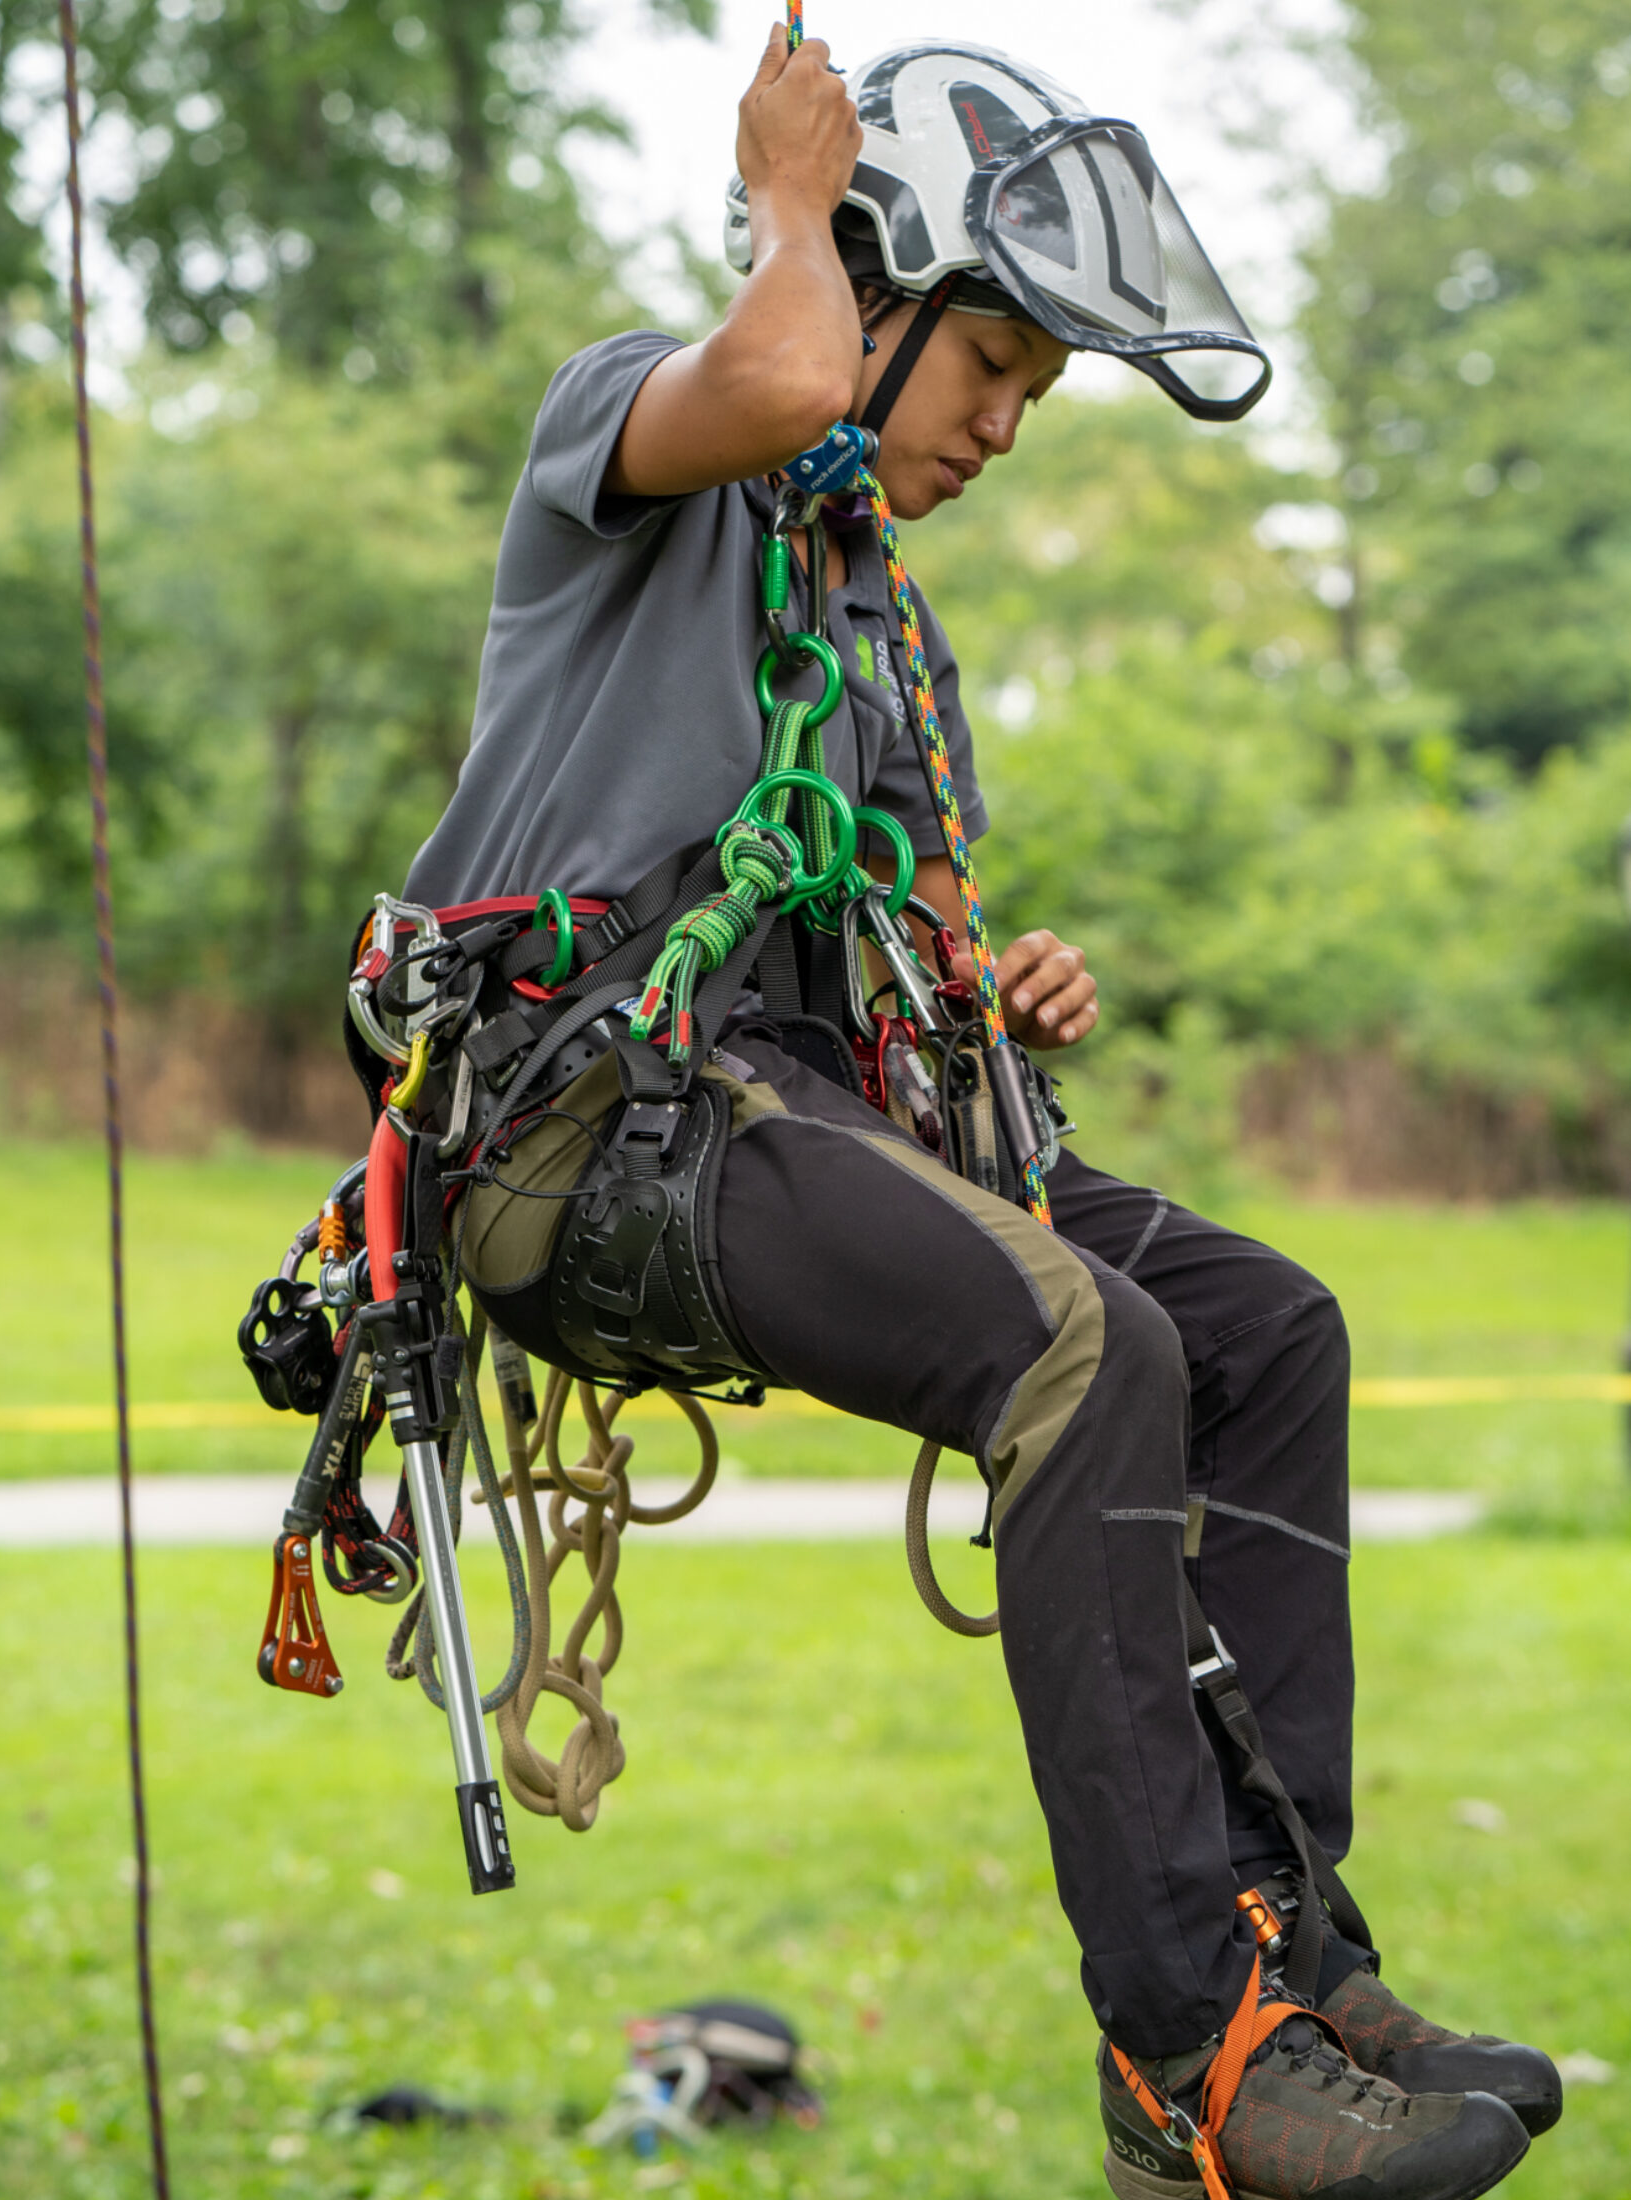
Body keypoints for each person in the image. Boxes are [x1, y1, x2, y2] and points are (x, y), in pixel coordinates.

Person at [403, 31, 1559, 2199]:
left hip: (812, 1112)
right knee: (1081, 1347)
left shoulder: (877, 637)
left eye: (1041, 392)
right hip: (582, 1130)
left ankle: (1284, 1953)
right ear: (876, 289)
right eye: (990, 366)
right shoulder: (637, 430)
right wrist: (785, 199)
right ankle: (1186, 2067)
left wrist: (1004, 978)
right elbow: (767, 384)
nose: (1006, 427)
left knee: (1264, 1325)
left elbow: (922, 932)